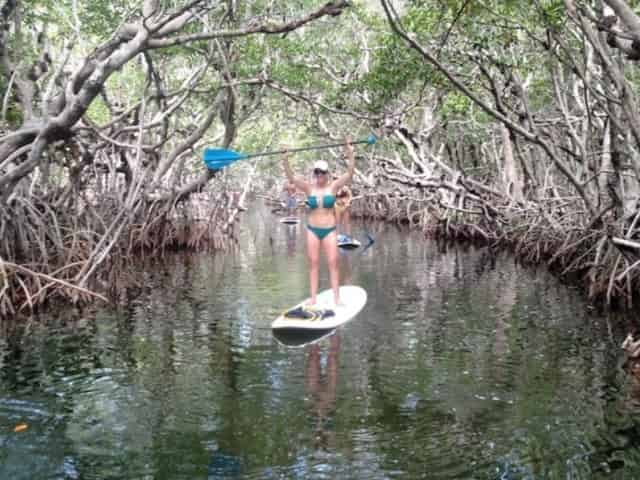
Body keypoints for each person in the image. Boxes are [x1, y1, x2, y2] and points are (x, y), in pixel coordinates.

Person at [282, 135, 356, 306]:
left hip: (330, 230)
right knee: (313, 263)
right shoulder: (309, 188)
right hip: (312, 230)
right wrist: (285, 159)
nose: (319, 175)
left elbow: (350, 173)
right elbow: (291, 178)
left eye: (322, 172)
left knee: (333, 264)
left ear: (327, 174)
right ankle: (313, 298)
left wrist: (350, 152)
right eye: (316, 172)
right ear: (314, 173)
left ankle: (337, 299)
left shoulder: (334, 187)